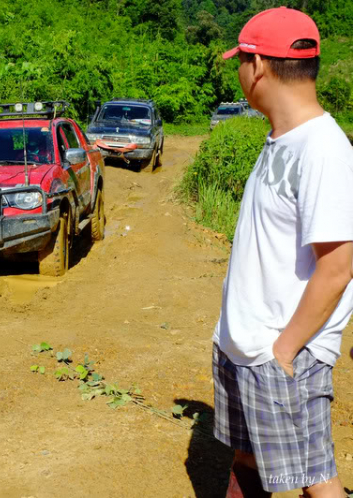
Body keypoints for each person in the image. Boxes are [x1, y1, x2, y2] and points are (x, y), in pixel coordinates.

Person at [213, 7, 353, 498]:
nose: (239, 73)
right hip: (248, 346)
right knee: (248, 455)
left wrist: (285, 349)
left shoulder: (322, 150)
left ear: (259, 67)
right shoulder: (282, 139)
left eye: (240, 61)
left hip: (283, 351)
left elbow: (339, 266)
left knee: (316, 479)